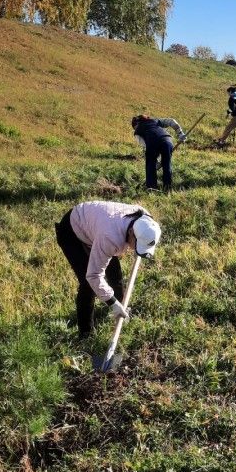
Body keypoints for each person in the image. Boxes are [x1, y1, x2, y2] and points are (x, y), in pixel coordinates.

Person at [55, 201, 161, 337]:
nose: (135, 249)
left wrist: (139, 246)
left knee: (115, 274)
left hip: (97, 226)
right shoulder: (110, 238)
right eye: (136, 244)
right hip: (73, 230)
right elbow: (94, 275)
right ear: (131, 232)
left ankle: (122, 307)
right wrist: (112, 303)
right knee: (88, 284)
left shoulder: (146, 219)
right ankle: (86, 334)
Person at [132, 115, 185, 191]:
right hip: (167, 140)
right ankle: (167, 188)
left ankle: (151, 187)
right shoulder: (155, 121)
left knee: (150, 164)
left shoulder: (137, 131)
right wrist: (180, 133)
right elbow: (171, 121)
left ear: (136, 124)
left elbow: (145, 146)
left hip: (153, 142)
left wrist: (156, 162)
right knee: (167, 164)